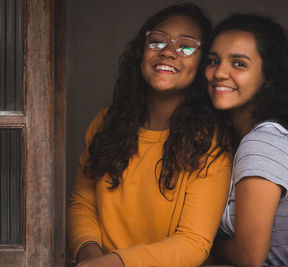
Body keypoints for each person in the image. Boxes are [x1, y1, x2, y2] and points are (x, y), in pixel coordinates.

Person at [67, 3, 232, 267]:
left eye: (186, 46)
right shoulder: (105, 123)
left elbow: (193, 242)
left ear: (203, 65)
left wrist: (112, 264)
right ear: (141, 52)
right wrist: (90, 255)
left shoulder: (210, 143)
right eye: (157, 42)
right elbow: (83, 202)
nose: (168, 51)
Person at [205, 14, 288, 266]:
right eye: (213, 61)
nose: (219, 72)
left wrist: (200, 247)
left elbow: (249, 256)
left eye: (239, 64)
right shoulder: (240, 139)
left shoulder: (264, 143)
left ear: (269, 77)